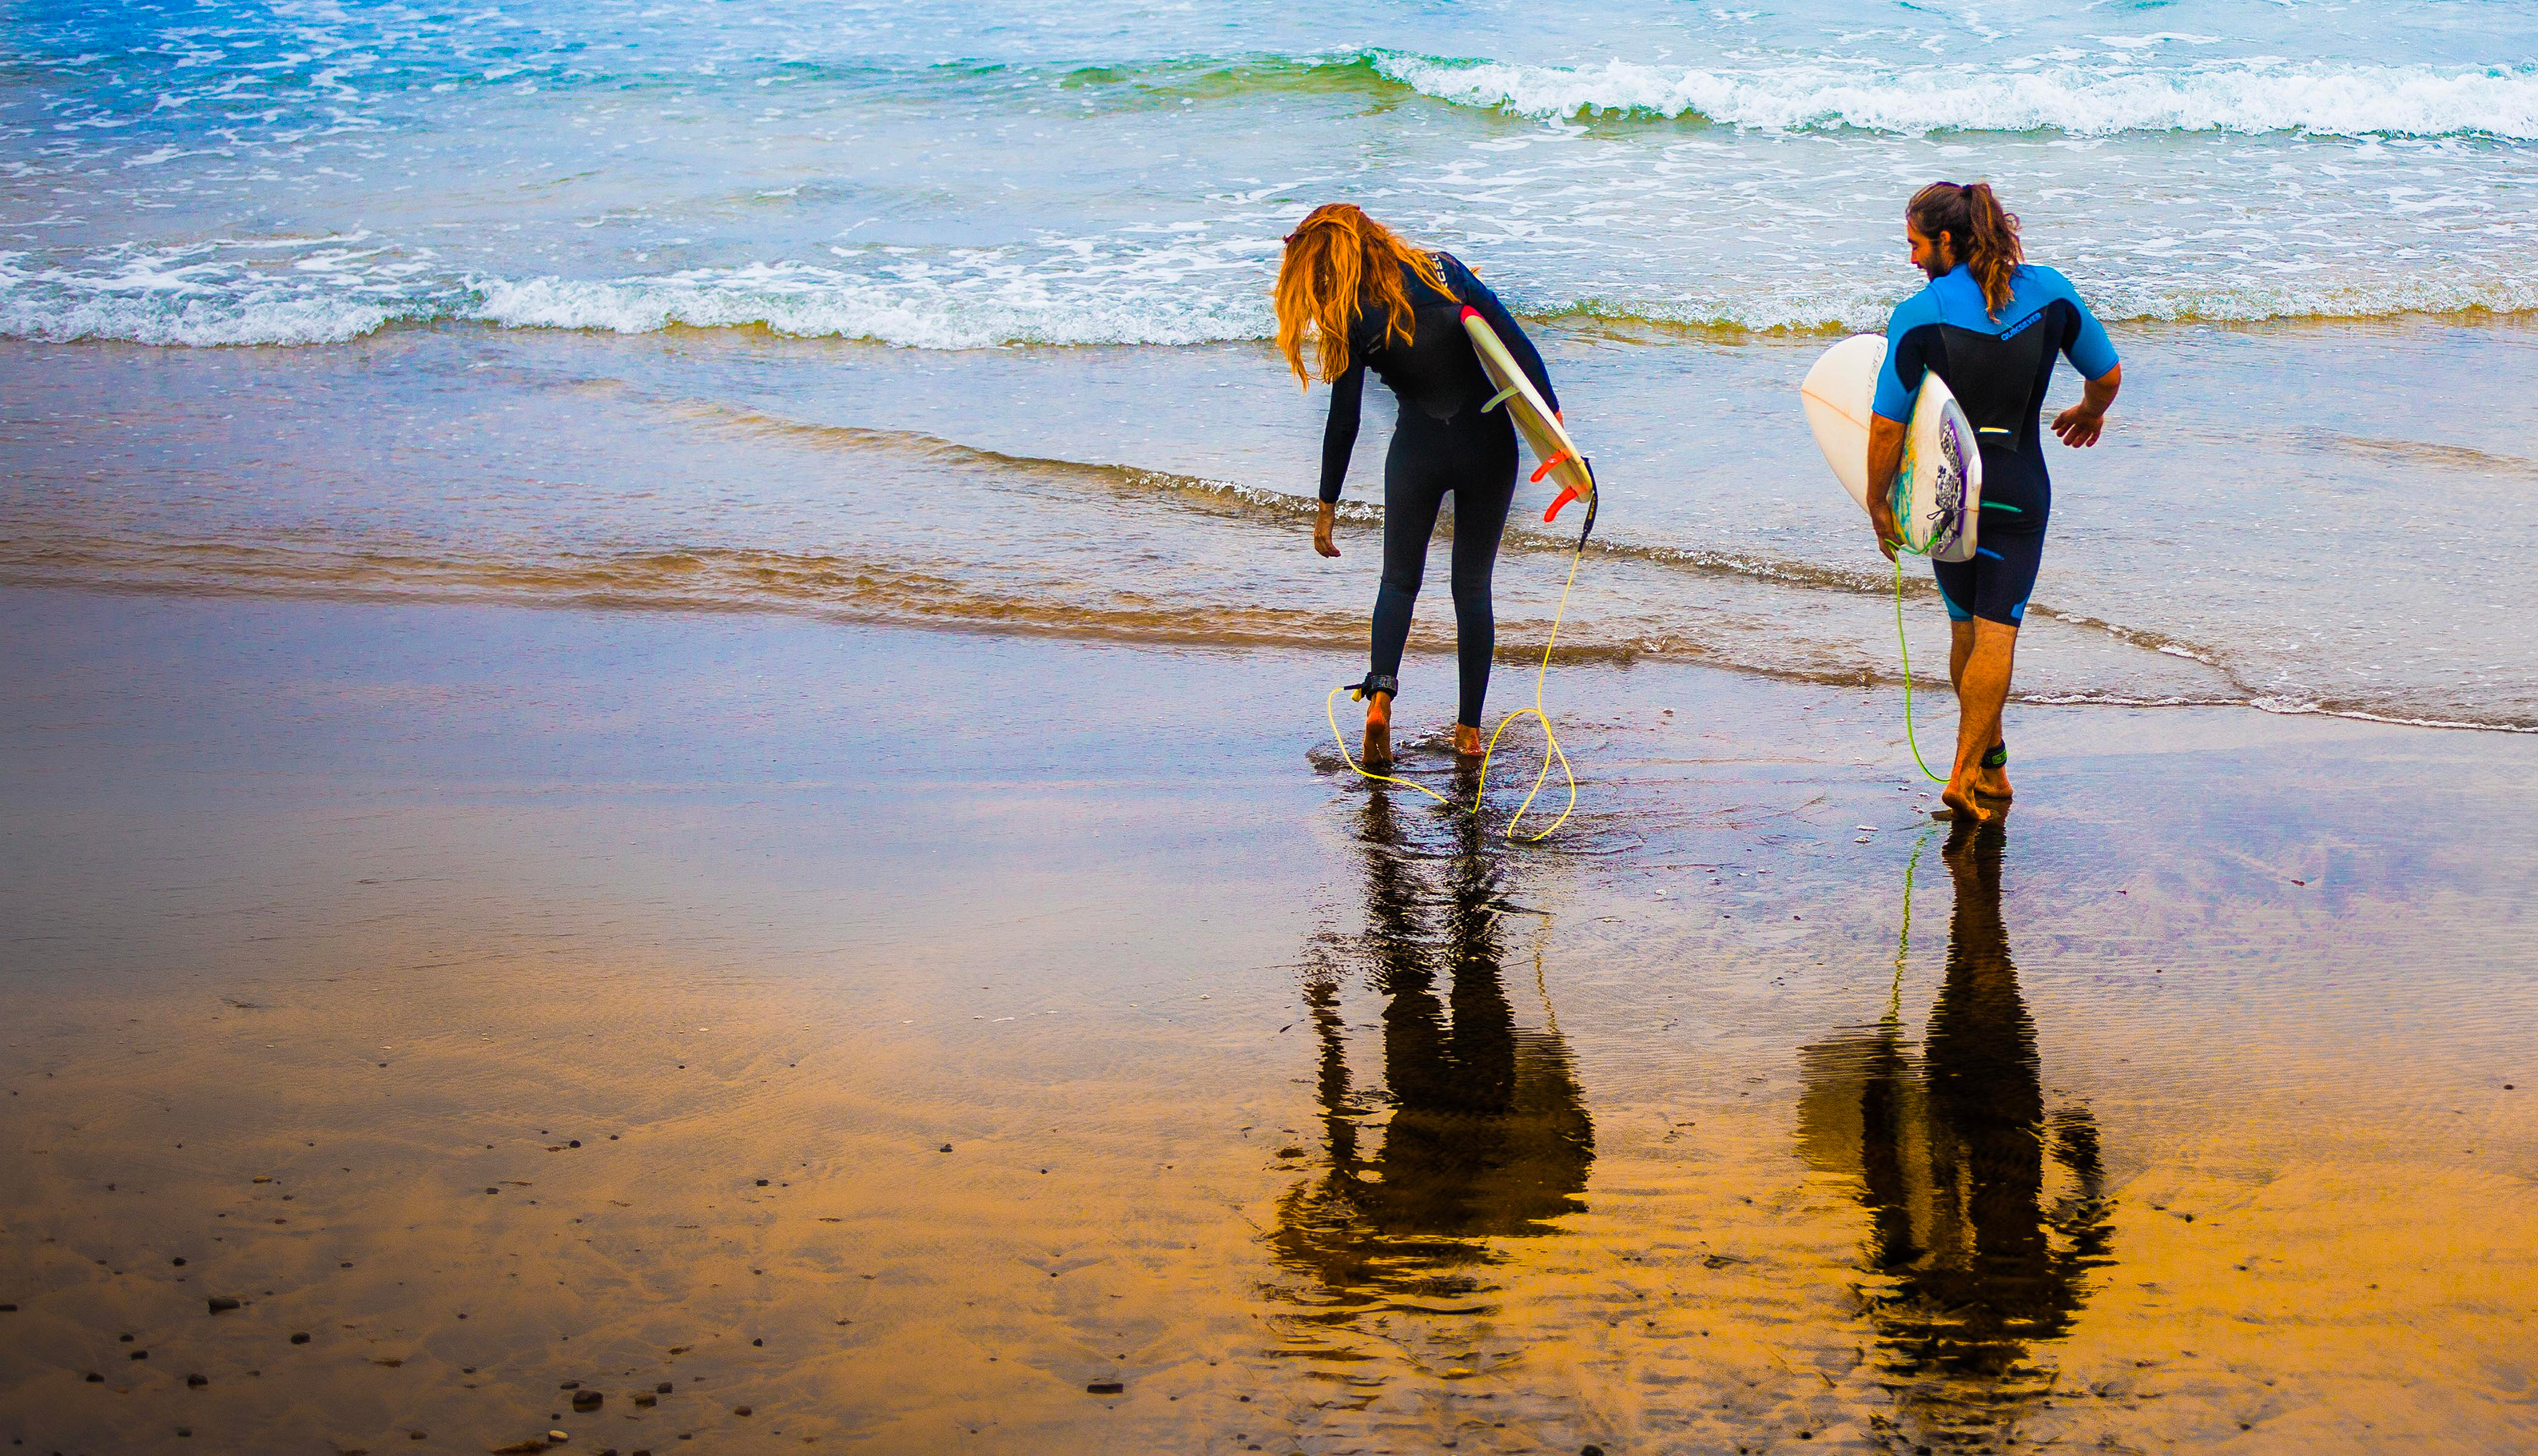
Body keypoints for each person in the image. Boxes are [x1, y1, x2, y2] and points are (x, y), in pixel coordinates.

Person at [1865, 182, 2122, 824]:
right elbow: (2108, 373)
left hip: (1947, 496)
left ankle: (1965, 773)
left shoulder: (1918, 316)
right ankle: (1986, 768)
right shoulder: (2052, 291)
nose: (1913, 258)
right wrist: (2089, 413)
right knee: (1996, 631)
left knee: (1964, 628)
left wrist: (1877, 502)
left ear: (1946, 240)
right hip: (2018, 489)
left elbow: (1888, 429)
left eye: (1916, 245)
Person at [1275, 203, 1561, 770]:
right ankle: (1468, 733)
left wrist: (1326, 507)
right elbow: (1517, 350)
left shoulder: (1348, 317)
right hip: (1487, 445)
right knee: (1472, 588)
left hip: (1417, 452)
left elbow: (1345, 420)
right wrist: (1554, 431)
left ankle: (1380, 696)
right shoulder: (1445, 273)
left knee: (1399, 582)